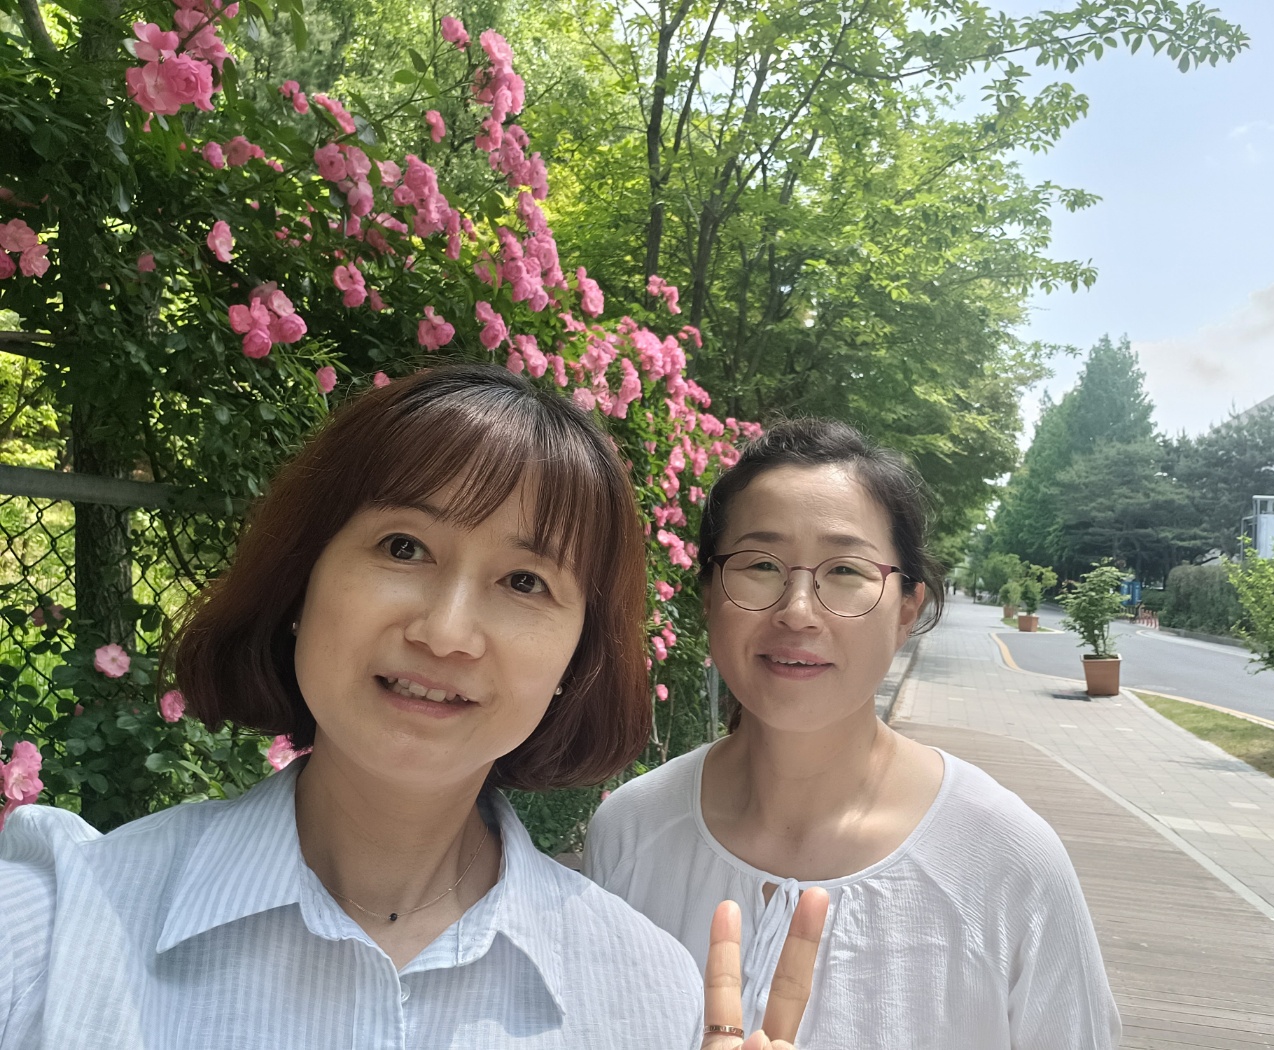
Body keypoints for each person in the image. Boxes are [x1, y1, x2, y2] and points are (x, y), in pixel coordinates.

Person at [0, 363, 826, 1050]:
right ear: (302, 582)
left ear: (576, 660)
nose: (446, 631)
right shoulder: (49, 932)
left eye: (525, 581)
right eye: (404, 547)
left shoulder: (646, 996)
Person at [584, 419, 1122, 1049]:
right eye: (761, 565)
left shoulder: (1006, 862)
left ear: (907, 609)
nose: (798, 611)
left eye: (845, 570)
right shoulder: (631, 833)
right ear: (708, 595)